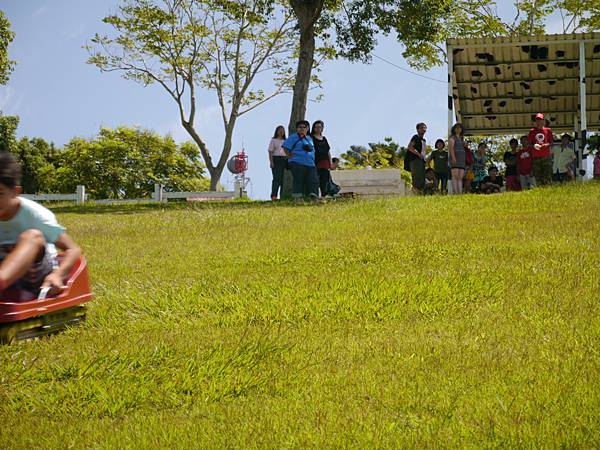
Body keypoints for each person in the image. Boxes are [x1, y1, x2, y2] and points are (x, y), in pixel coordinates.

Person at [0, 152, 81, 300]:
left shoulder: (35, 215)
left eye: (0, 194)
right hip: (6, 274)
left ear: (15, 192)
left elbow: (73, 249)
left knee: (32, 236)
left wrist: (58, 274)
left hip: (36, 275)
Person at [283, 120, 318, 202]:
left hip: (310, 163)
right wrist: (289, 156)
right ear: (297, 129)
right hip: (297, 162)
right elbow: (285, 148)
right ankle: (297, 197)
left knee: (313, 180)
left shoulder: (309, 138)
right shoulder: (293, 137)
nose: (302, 129)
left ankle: (314, 197)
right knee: (298, 179)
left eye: (304, 127)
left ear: (308, 128)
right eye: (300, 127)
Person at [528, 112, 554, 185]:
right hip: (536, 157)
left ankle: (548, 190)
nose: (538, 122)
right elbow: (529, 143)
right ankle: (540, 190)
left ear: (543, 121)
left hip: (546, 156)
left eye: (540, 120)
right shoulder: (532, 131)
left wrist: (546, 145)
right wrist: (534, 145)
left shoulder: (548, 130)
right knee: (537, 175)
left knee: (547, 175)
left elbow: (551, 143)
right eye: (537, 120)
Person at [310, 120, 332, 197]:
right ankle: (314, 194)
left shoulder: (324, 138)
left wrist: (330, 163)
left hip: (325, 162)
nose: (318, 129)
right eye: (316, 127)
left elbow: (328, 151)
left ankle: (324, 195)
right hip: (315, 161)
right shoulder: (310, 138)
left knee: (325, 179)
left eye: (320, 127)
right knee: (315, 179)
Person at [406, 123, 427, 193]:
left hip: (422, 161)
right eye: (422, 128)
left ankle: (420, 193)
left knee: (422, 178)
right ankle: (415, 193)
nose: (424, 129)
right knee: (417, 177)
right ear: (417, 129)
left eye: (425, 128)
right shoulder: (415, 137)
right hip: (415, 160)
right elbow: (410, 147)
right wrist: (418, 154)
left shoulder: (424, 140)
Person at [268, 125, 287, 200]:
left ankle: (283, 195)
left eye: (282, 130)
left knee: (284, 179)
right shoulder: (273, 140)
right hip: (276, 159)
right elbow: (270, 151)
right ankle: (274, 195)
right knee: (276, 178)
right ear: (277, 131)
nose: (281, 131)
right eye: (279, 130)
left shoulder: (286, 140)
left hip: (285, 159)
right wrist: (271, 162)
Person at [448, 123, 466, 194]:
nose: (458, 129)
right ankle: (455, 192)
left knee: (460, 177)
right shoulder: (452, 137)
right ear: (454, 129)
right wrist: (453, 158)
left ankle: (460, 193)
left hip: (462, 159)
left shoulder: (462, 138)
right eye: (457, 128)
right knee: (455, 176)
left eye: (460, 128)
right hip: (455, 158)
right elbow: (451, 148)